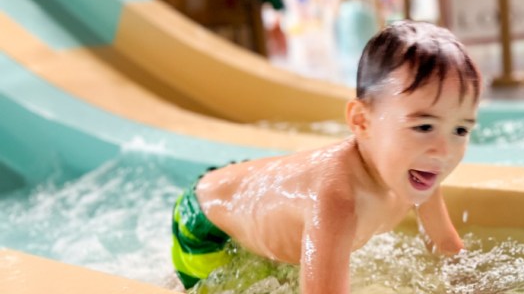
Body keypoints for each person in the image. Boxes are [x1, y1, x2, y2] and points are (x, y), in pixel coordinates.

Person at [171, 21, 482, 292]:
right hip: (205, 222)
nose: (443, 151)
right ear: (361, 122)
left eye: (460, 130)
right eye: (424, 125)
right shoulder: (337, 200)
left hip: (252, 197)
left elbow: (446, 248)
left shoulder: (419, 169)